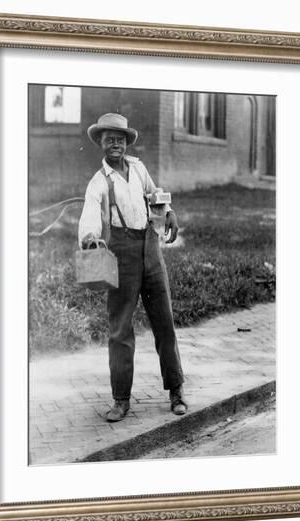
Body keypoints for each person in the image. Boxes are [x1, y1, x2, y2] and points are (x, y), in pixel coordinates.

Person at [78, 112, 188, 422]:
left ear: (127, 142)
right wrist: (89, 238)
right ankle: (121, 399)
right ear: (101, 143)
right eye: (109, 138)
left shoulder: (138, 168)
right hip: (122, 257)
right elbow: (89, 215)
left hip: (151, 252)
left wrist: (169, 213)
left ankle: (177, 389)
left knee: (164, 324)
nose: (116, 143)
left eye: (121, 138)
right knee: (120, 330)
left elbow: (155, 196)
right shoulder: (99, 182)